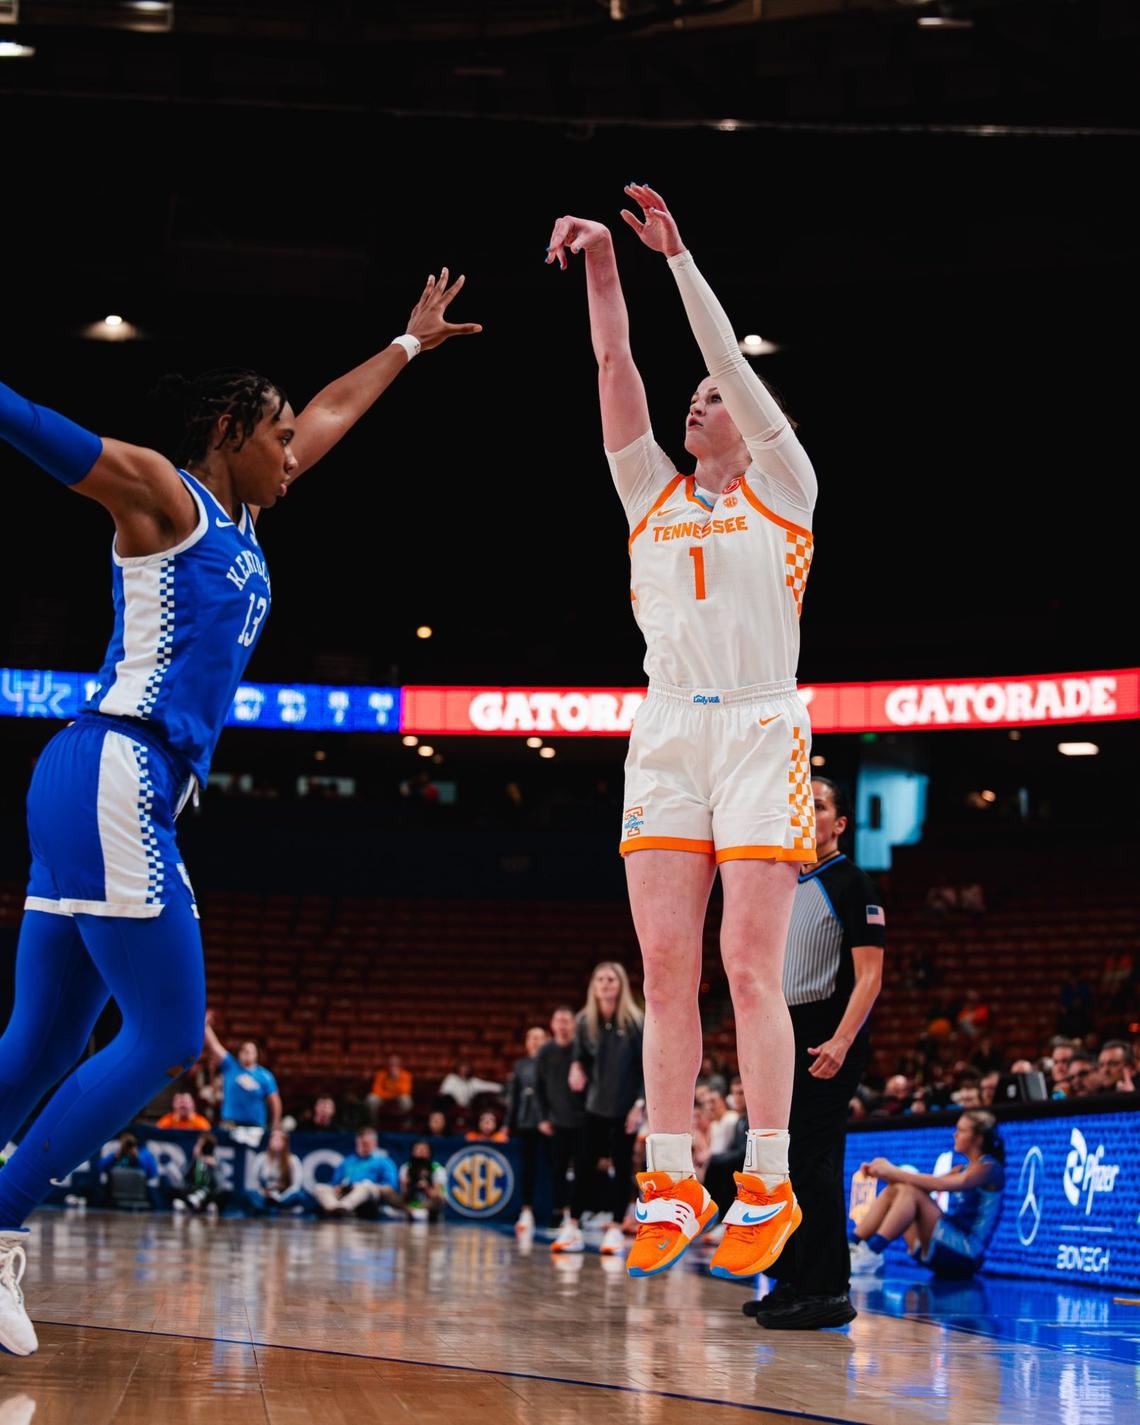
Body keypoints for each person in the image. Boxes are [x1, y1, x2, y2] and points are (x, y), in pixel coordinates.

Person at [0, 272, 480, 1356]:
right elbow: (44, 432)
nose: (292, 451)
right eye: (274, 435)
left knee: (43, 1043)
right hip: (120, 768)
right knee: (168, 1039)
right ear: (227, 435)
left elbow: (333, 413)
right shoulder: (167, 498)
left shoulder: (246, 505)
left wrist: (405, 346)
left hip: (92, 777)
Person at [547, 181, 817, 1282]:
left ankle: (766, 1178)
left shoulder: (787, 488)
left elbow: (734, 368)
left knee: (747, 966)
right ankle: (668, 1178)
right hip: (665, 731)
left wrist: (677, 261)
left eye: (716, 395)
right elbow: (617, 370)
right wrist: (605, 265)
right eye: (695, 394)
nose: (702, 401)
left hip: (762, 727)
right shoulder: (650, 493)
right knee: (667, 968)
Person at [751, 778, 884, 1330]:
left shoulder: (851, 881)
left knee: (813, 1159)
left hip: (827, 1035)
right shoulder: (780, 881)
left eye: (819, 804)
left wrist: (841, 1041)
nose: (807, 809)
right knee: (777, 1159)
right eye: (800, 802)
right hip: (782, 1031)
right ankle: (790, 1279)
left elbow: (871, 976)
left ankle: (828, 1288)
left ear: (839, 825)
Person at [849, 1111, 1005, 1278]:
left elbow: (939, 1184)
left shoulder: (989, 1168)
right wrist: (882, 1173)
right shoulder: (961, 1168)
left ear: (978, 1138)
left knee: (910, 1192)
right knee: (898, 1189)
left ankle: (872, 1252)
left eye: (961, 1130)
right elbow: (923, 1185)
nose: (955, 1134)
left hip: (967, 1252)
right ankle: (850, 1245)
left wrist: (892, 1170)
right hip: (946, 1247)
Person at [563, 963, 644, 1258]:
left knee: (622, 1168)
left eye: (611, 979)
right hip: (594, 1105)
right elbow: (579, 1055)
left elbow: (645, 1067)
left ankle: (614, 1227)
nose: (606, 984)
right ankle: (572, 1224)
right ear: (593, 985)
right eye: (600, 979)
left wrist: (640, 1104)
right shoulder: (586, 1021)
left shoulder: (635, 1022)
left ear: (621, 984)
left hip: (625, 1107)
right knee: (583, 1165)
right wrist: (575, 1066)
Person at [537, 1006, 589, 1246]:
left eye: (567, 1020)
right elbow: (538, 1086)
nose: (563, 1025)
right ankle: (558, 1211)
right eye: (559, 1020)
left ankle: (577, 1214)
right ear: (552, 1024)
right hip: (556, 1120)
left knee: (582, 1169)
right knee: (557, 1169)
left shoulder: (581, 1048)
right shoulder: (545, 1051)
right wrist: (543, 1117)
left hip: (581, 1118)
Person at [202, 1017, 281, 1137]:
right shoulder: (230, 1067)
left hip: (255, 1127)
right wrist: (206, 1026)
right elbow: (214, 1045)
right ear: (239, 1054)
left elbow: (275, 1101)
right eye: (244, 1050)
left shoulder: (265, 1076)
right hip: (230, 1125)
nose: (246, 1053)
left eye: (250, 1051)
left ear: (256, 1055)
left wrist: (276, 1125)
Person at [507, 1025, 548, 1234]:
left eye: (540, 1037)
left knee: (553, 1167)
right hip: (526, 1122)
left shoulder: (553, 1062)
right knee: (527, 1168)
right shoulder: (520, 1066)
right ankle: (526, 1211)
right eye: (531, 1037)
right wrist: (508, 1124)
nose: (535, 1041)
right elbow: (513, 1098)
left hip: (550, 1123)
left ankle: (558, 1211)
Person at [312, 1129, 402, 1217]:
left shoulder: (384, 1162)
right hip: (346, 1191)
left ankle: (344, 1207)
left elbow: (390, 1187)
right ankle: (333, 1208)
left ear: (375, 1143)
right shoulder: (348, 1161)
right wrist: (338, 1187)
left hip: (369, 1192)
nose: (364, 1146)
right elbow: (335, 1183)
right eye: (361, 1144)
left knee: (364, 1186)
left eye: (367, 1144)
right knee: (320, 1188)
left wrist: (364, 1185)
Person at [247, 1129, 306, 1215]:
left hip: (284, 1195)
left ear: (285, 1142)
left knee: (300, 1195)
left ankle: (275, 1208)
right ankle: (269, 1208)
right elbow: (253, 1181)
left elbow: (296, 1185)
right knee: (249, 1194)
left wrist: (280, 1198)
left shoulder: (293, 1160)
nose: (276, 1142)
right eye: (273, 1139)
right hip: (265, 1195)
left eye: (279, 1139)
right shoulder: (261, 1158)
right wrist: (262, 1192)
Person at [168, 1133, 226, 1216]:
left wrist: (213, 1167)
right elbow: (184, 1180)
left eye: (200, 1145)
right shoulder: (194, 1162)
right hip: (193, 1191)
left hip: (207, 1193)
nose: (196, 1148)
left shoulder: (215, 1163)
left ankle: (200, 1204)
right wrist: (197, 1161)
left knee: (222, 1193)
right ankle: (191, 1203)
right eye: (198, 1145)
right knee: (173, 1190)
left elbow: (218, 1185)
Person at [400, 1140, 448, 1222]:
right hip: (410, 1205)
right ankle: (411, 1212)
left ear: (429, 1153)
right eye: (418, 1150)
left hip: (429, 1206)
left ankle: (419, 1211)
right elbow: (404, 1194)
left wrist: (426, 1188)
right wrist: (411, 1185)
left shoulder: (438, 1169)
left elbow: (438, 1196)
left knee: (439, 1199)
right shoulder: (405, 1168)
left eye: (424, 1150)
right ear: (413, 1152)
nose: (421, 1152)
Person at [367, 1053, 414, 1124]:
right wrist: (389, 1095)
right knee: (371, 1098)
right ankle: (373, 1122)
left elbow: (405, 1091)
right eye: (391, 1063)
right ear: (388, 1064)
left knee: (406, 1100)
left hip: (398, 1097)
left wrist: (396, 1079)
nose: (393, 1065)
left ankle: (405, 1121)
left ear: (399, 1065)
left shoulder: (406, 1075)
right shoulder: (381, 1074)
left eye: (395, 1063)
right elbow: (376, 1090)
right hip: (384, 1097)